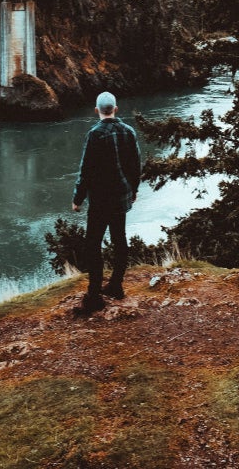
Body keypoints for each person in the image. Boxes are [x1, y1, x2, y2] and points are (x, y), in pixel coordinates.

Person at [72, 91, 141, 315]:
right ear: (116, 109)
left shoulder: (95, 134)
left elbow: (86, 170)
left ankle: (94, 297)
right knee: (119, 240)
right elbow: (135, 164)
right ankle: (116, 286)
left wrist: (77, 198)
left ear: (96, 111)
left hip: (100, 199)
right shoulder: (129, 131)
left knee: (93, 245)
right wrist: (134, 190)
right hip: (121, 196)